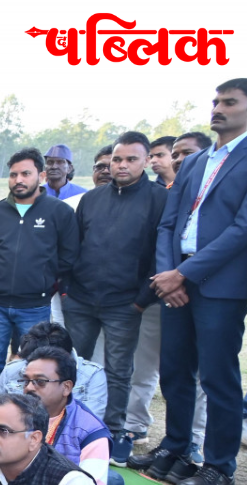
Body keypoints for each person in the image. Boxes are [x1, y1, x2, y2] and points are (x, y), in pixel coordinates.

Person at [133, 78, 247, 485]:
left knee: (218, 378)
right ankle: (176, 449)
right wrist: (168, 276)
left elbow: (242, 230)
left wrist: (187, 273)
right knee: (175, 371)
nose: (218, 108)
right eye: (216, 101)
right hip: (175, 283)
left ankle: (219, 467)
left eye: (229, 102)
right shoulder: (197, 161)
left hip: (221, 286)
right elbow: (169, 222)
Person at [61, 131, 168, 466]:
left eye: (130, 159)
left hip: (125, 303)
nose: (121, 166)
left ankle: (112, 432)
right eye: (117, 160)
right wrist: (67, 287)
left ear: (146, 161)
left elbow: (159, 253)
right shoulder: (93, 198)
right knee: (73, 365)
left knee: (118, 371)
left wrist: (141, 299)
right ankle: (66, 426)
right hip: (80, 298)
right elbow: (73, 246)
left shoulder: (158, 199)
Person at [123, 133, 213, 466]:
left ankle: (196, 444)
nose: (177, 160)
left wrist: (183, 276)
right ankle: (167, 440)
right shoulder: (163, 195)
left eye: (186, 153)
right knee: (163, 371)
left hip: (205, 290)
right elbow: (161, 239)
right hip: (161, 293)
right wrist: (165, 282)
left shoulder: (211, 192)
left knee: (202, 376)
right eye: (174, 154)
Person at [0, 147, 79, 396]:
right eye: (13, 175)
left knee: (32, 365)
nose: (18, 180)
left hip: (35, 305)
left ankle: (29, 413)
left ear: (41, 176)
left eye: (25, 174)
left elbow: (69, 255)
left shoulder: (59, 211)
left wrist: (45, 280)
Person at [20, 346, 115, 485]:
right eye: (26, 381)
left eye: (40, 381)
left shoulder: (90, 431)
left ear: (66, 387)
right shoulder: (15, 413)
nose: (29, 388)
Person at [0, 320, 108, 430]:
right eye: (30, 362)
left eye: (41, 380)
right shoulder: (14, 369)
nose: (30, 387)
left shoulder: (92, 376)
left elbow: (88, 429)